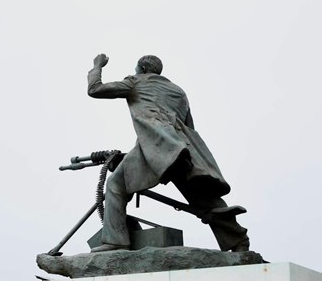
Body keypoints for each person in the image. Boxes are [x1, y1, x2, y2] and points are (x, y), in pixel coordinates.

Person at [87, 53, 250, 253]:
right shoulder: (178, 92)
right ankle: (238, 242)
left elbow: (95, 90)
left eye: (137, 69)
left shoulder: (135, 82)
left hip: (155, 147)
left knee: (115, 185)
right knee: (206, 201)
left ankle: (116, 241)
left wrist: (97, 66)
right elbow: (189, 127)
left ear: (143, 70)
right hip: (182, 150)